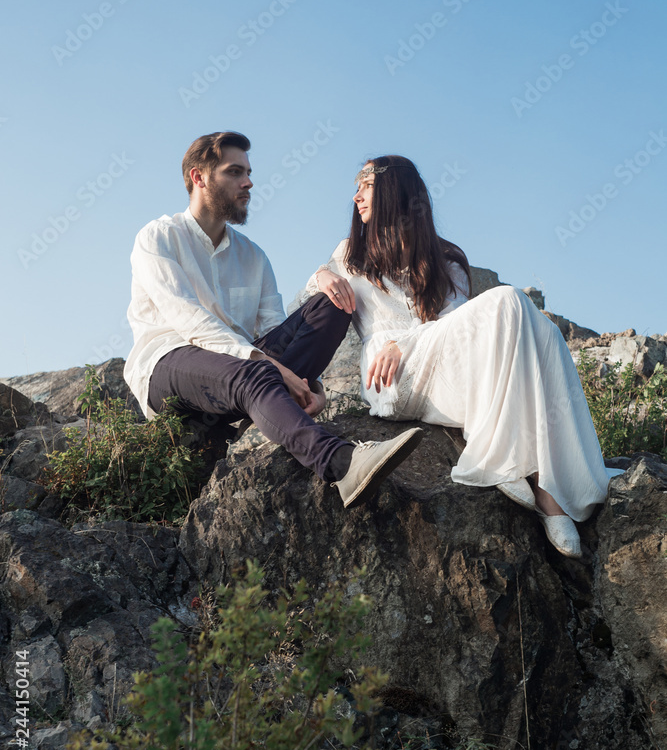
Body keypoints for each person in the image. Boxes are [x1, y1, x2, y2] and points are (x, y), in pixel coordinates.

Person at [299, 154, 623, 556]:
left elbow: (461, 333)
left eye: (364, 185)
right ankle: (531, 479)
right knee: (508, 300)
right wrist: (322, 274)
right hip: (392, 378)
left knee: (544, 333)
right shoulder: (350, 253)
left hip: (441, 368)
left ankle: (533, 475)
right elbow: (307, 309)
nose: (355, 196)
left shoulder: (443, 261)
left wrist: (409, 342)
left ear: (393, 190)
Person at [123, 134, 423, 509]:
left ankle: (262, 408)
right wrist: (268, 366)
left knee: (332, 305)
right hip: (169, 364)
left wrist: (306, 382)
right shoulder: (158, 237)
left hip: (235, 376)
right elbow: (191, 322)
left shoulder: (254, 257)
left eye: (248, 172)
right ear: (198, 177)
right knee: (256, 371)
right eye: (234, 172)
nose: (248, 182)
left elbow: (273, 331)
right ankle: (343, 464)